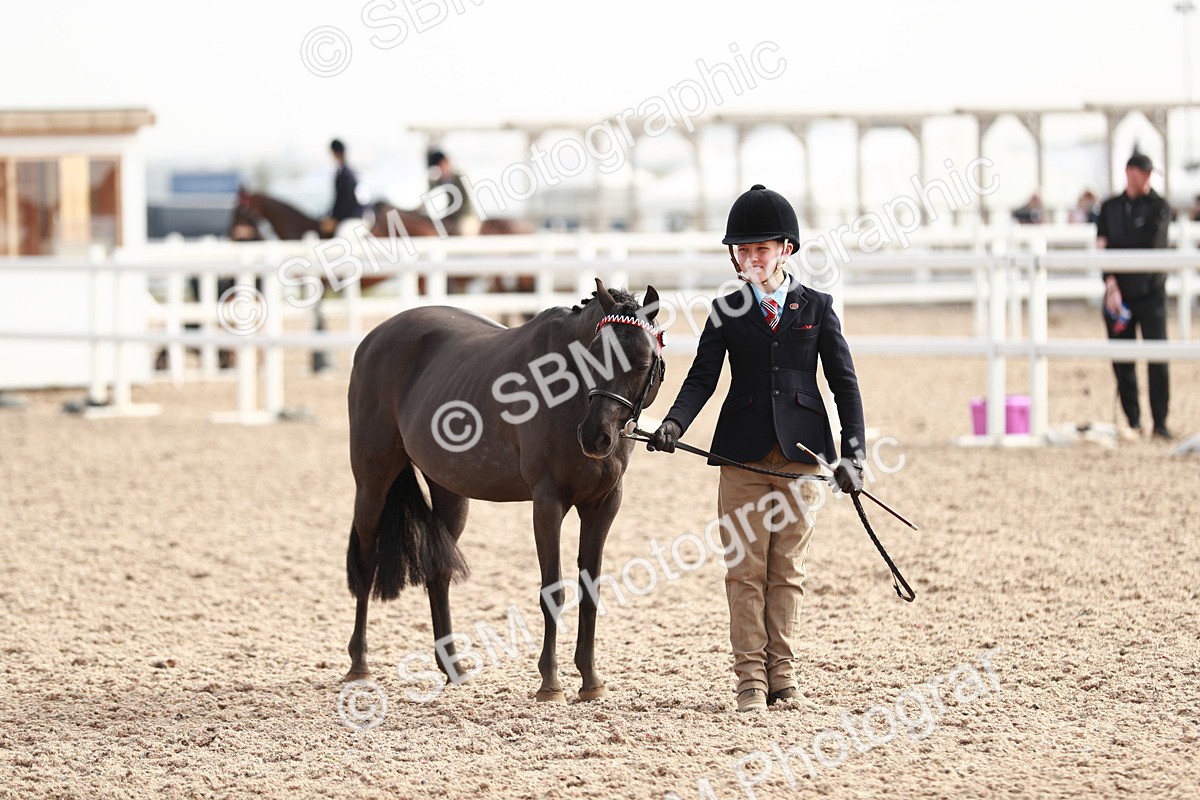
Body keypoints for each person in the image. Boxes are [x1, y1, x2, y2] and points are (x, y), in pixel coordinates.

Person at [647, 184, 866, 713]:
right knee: (744, 571)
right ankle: (749, 679)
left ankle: (782, 675)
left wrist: (853, 454)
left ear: (785, 249)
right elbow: (702, 378)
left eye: (760, 250)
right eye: (742, 251)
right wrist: (674, 422)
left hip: (802, 457)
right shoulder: (725, 310)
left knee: (786, 570)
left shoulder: (818, 307)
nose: (750, 259)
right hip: (741, 455)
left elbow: (844, 383)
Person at [1096, 153, 1173, 440]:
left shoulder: (1160, 206)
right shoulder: (1110, 207)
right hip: (1118, 293)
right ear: (1130, 172)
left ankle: (1160, 423)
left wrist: (1112, 247)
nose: (1147, 178)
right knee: (1122, 359)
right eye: (1143, 172)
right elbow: (1101, 248)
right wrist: (1111, 283)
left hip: (1151, 292)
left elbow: (1152, 244)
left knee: (1158, 357)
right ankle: (1133, 421)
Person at [426, 150, 479, 235]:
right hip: (450, 217)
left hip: (465, 216)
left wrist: (450, 214)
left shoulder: (459, 178)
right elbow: (428, 194)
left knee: (462, 231)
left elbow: (464, 200)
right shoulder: (439, 180)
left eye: (441, 165)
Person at [323, 139, 362, 235]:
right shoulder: (342, 172)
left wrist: (335, 218)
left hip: (353, 216)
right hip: (347, 215)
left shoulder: (346, 174)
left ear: (336, 153)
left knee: (342, 237)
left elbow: (347, 200)